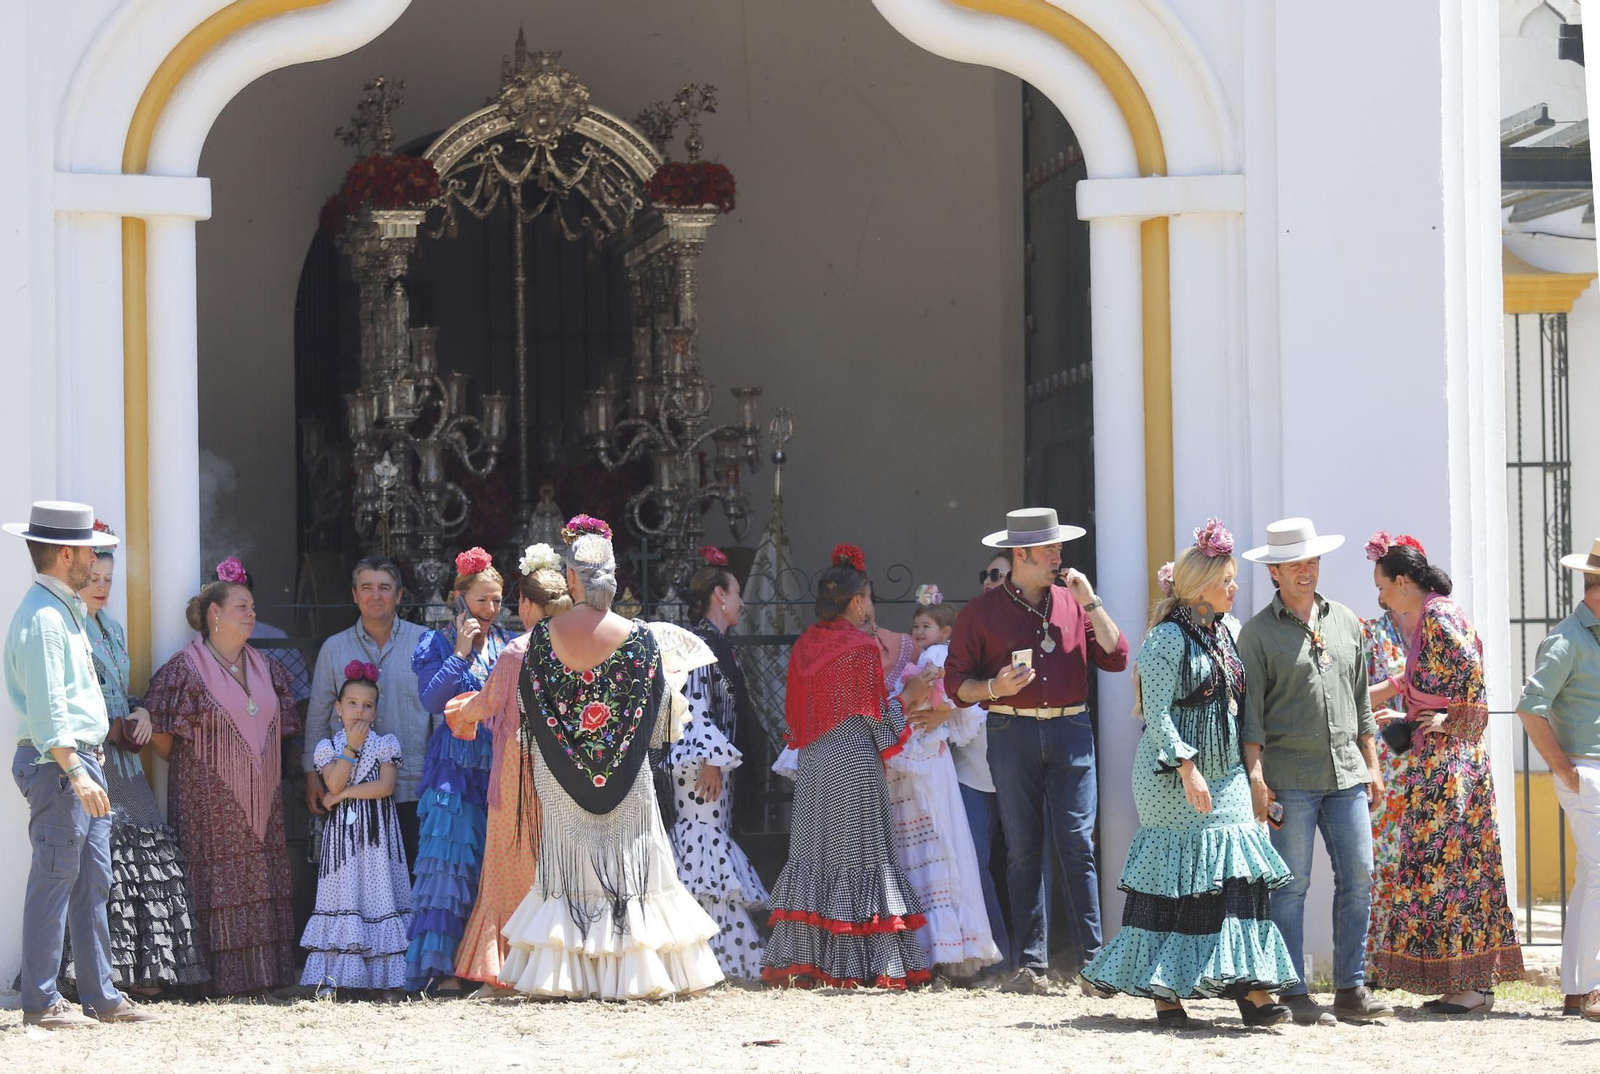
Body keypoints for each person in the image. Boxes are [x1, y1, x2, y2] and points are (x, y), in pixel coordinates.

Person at [495, 515, 724, 1000]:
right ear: (614, 577)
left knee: (569, 870)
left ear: (571, 579)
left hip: (559, 778)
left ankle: (570, 974)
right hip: (629, 777)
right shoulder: (642, 638)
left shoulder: (542, 637)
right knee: (636, 864)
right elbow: (661, 717)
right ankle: (636, 971)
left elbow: (530, 713)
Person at [1082, 520, 1297, 1028]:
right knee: (1182, 880)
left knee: (1237, 876)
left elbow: (1244, 709)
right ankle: (1165, 992)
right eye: (1226, 579)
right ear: (1200, 585)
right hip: (1172, 773)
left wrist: (1255, 774)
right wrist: (1187, 768)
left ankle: (1249, 988)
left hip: (1226, 772)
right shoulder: (1165, 639)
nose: (1234, 588)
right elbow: (1156, 715)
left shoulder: (1232, 631)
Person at [945, 508, 1129, 995]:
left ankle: (1095, 963)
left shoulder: (1074, 602)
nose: (1058, 557)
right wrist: (992, 686)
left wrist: (1092, 603)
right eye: (1049, 550)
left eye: (1058, 548)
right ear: (1019, 555)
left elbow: (1117, 656)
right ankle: (1031, 965)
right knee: (1024, 850)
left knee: (1077, 844)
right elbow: (955, 685)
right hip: (1012, 731)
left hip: (1072, 731)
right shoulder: (979, 613)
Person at [6, 501, 159, 1027]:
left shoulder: (56, 610)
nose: (96, 559)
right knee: (57, 874)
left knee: (91, 878)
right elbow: (50, 705)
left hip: (71, 761)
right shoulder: (49, 618)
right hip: (61, 763)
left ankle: (101, 995)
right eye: (89, 550)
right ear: (67, 553)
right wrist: (74, 767)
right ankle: (43, 1002)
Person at [1237, 517, 1391, 1026]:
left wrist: (1373, 766)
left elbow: (1361, 706)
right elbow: (1250, 718)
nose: (1306, 571)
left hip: (1347, 775)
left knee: (1360, 878)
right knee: (1292, 885)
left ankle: (1350, 988)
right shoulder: (1257, 635)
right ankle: (1293, 990)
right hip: (1290, 779)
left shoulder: (1347, 621)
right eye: (1295, 563)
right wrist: (1256, 778)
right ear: (1274, 571)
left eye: (1312, 561)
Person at [1364, 532, 1523, 1011]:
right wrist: (1416, 715)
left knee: (1450, 869)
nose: (1381, 596)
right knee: (1458, 870)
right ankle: (1468, 986)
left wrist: (1453, 719)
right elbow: (1439, 680)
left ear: (1406, 580)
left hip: (1448, 764)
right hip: (1446, 758)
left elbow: (1472, 671)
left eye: (1383, 585)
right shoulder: (1436, 613)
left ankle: (1468, 988)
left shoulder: (1437, 614)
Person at [763, 543, 933, 990]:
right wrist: (911, 696)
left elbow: (796, 720)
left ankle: (811, 961)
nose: (872, 606)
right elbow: (877, 724)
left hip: (816, 767)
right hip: (855, 767)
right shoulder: (859, 649)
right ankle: (857, 966)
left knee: (816, 859)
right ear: (856, 602)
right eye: (870, 597)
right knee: (861, 861)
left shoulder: (803, 647)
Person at [58, 525, 208, 998]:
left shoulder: (113, 629)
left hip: (123, 759)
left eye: (108, 578)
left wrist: (141, 710)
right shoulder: (67, 625)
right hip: (89, 753)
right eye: (94, 576)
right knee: (102, 861)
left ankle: (145, 971)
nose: (102, 586)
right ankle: (100, 974)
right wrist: (109, 725)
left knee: (144, 842)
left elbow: (123, 691)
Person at [146, 576, 301, 996]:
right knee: (215, 882)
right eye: (242, 607)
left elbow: (284, 728)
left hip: (261, 798)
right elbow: (161, 735)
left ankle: (263, 977)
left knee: (258, 876)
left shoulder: (266, 667)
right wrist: (207, 768)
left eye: (252, 607)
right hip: (206, 802)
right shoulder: (185, 669)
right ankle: (213, 980)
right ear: (214, 614)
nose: (252, 615)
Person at [443, 543, 570, 993]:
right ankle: (557, 962)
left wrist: (457, 711)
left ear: (527, 605)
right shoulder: (577, 646)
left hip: (518, 770)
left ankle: (509, 966)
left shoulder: (516, 650)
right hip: (566, 772)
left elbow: (488, 704)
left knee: (508, 862)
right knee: (553, 865)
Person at [404, 546, 514, 992]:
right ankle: (446, 969)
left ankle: (489, 964)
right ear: (459, 597)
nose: (490, 609)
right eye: (482, 599)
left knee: (495, 863)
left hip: (500, 765)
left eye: (496, 600)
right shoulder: (436, 641)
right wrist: (463, 651)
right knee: (449, 864)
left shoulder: (510, 643)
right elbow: (431, 700)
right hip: (454, 766)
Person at [664, 550, 771, 978]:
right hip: (700, 763)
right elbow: (694, 709)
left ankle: (711, 953)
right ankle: (708, 955)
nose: (742, 603)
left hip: (714, 761)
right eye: (737, 593)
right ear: (718, 595)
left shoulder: (717, 644)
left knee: (710, 847)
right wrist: (710, 759)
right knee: (702, 847)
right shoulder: (697, 645)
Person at [894, 586, 1004, 979]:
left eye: (926, 624)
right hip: (917, 757)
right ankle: (938, 949)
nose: (919, 630)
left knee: (941, 840)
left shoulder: (939, 657)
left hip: (931, 760)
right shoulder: (925, 659)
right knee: (930, 843)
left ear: (945, 632)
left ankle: (948, 947)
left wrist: (940, 716)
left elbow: (960, 700)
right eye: (915, 625)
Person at [1517, 537, 1600, 1021]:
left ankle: (1577, 989)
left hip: (1588, 771)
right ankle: (1589, 987)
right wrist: (1565, 769)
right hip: (1585, 772)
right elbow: (1530, 708)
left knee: (1591, 878)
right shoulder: (1567, 638)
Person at [303, 557, 429, 870]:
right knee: (357, 886)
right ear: (355, 595)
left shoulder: (425, 643)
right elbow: (318, 715)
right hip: (349, 790)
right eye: (367, 588)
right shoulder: (334, 648)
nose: (376, 596)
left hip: (412, 787)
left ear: (398, 596)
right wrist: (311, 776)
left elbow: (440, 716)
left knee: (412, 879)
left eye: (384, 588)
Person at [299, 662, 410, 995]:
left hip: (377, 838)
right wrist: (350, 748)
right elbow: (332, 781)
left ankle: (385, 977)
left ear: (376, 711)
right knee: (343, 895)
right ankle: (337, 977)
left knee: (378, 896)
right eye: (352, 703)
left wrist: (344, 794)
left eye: (367, 705)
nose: (359, 711)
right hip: (343, 845)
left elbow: (385, 787)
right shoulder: (327, 747)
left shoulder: (386, 743)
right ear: (338, 708)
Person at [1358, 547, 1417, 975]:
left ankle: (1418, 962)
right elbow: (1359, 695)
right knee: (1381, 862)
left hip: (1427, 760)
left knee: (1419, 861)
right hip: (1388, 760)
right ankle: (1378, 966)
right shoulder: (1371, 634)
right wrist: (1400, 682)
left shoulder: (1434, 629)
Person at [951, 567, 1008, 963]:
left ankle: (1030, 950)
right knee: (975, 861)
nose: (990, 579)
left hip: (1019, 767)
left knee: (1027, 861)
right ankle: (994, 949)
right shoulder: (970, 627)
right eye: (986, 573)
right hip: (971, 770)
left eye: (1000, 573)